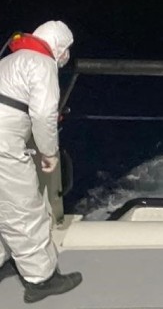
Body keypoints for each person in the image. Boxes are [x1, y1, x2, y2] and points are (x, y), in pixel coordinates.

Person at [0, 20, 83, 303]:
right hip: (4, 147)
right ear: (58, 47)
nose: (66, 56)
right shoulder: (42, 64)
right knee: (23, 208)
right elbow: (44, 114)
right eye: (66, 49)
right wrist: (49, 153)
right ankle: (41, 280)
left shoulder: (10, 61)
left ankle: (6, 258)